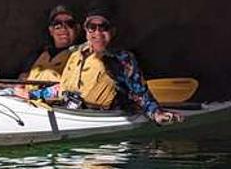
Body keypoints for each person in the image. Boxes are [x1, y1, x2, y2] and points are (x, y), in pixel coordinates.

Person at [13, 11, 182, 124]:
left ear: (112, 31)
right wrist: (31, 94)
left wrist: (156, 113)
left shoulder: (121, 59)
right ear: (86, 32)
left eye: (104, 28)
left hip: (104, 117)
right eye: (92, 28)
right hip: (71, 114)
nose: (97, 33)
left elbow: (139, 92)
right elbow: (62, 89)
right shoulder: (76, 54)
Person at [0, 5, 79, 89]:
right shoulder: (39, 55)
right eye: (57, 24)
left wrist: (31, 95)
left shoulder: (81, 55)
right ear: (51, 30)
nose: (63, 28)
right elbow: (20, 85)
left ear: (77, 28)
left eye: (70, 24)